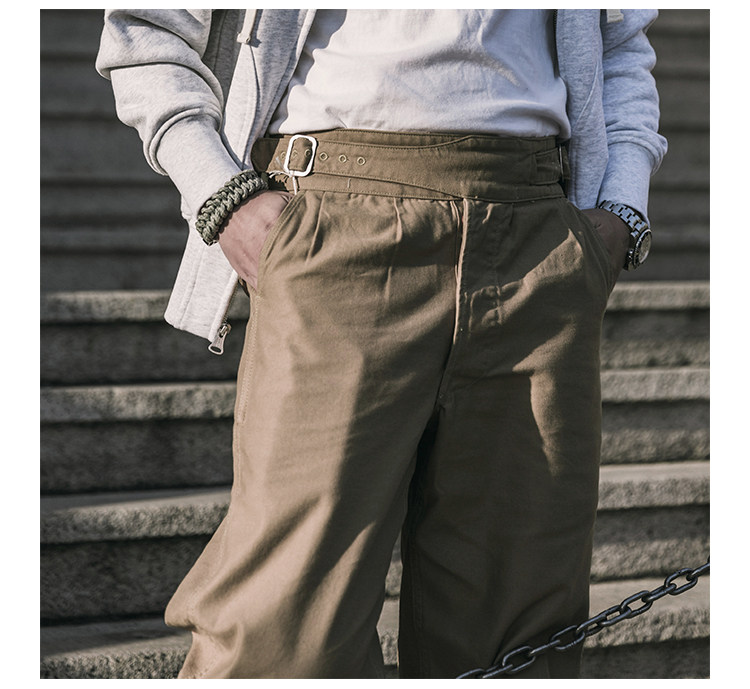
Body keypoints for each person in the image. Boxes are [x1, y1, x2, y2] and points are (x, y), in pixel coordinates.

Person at [96, 9, 666, 679]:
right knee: (284, 627)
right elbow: (145, 33)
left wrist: (622, 209)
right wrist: (224, 196)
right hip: (335, 222)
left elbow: (620, 45)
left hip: (538, 238)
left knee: (518, 629)